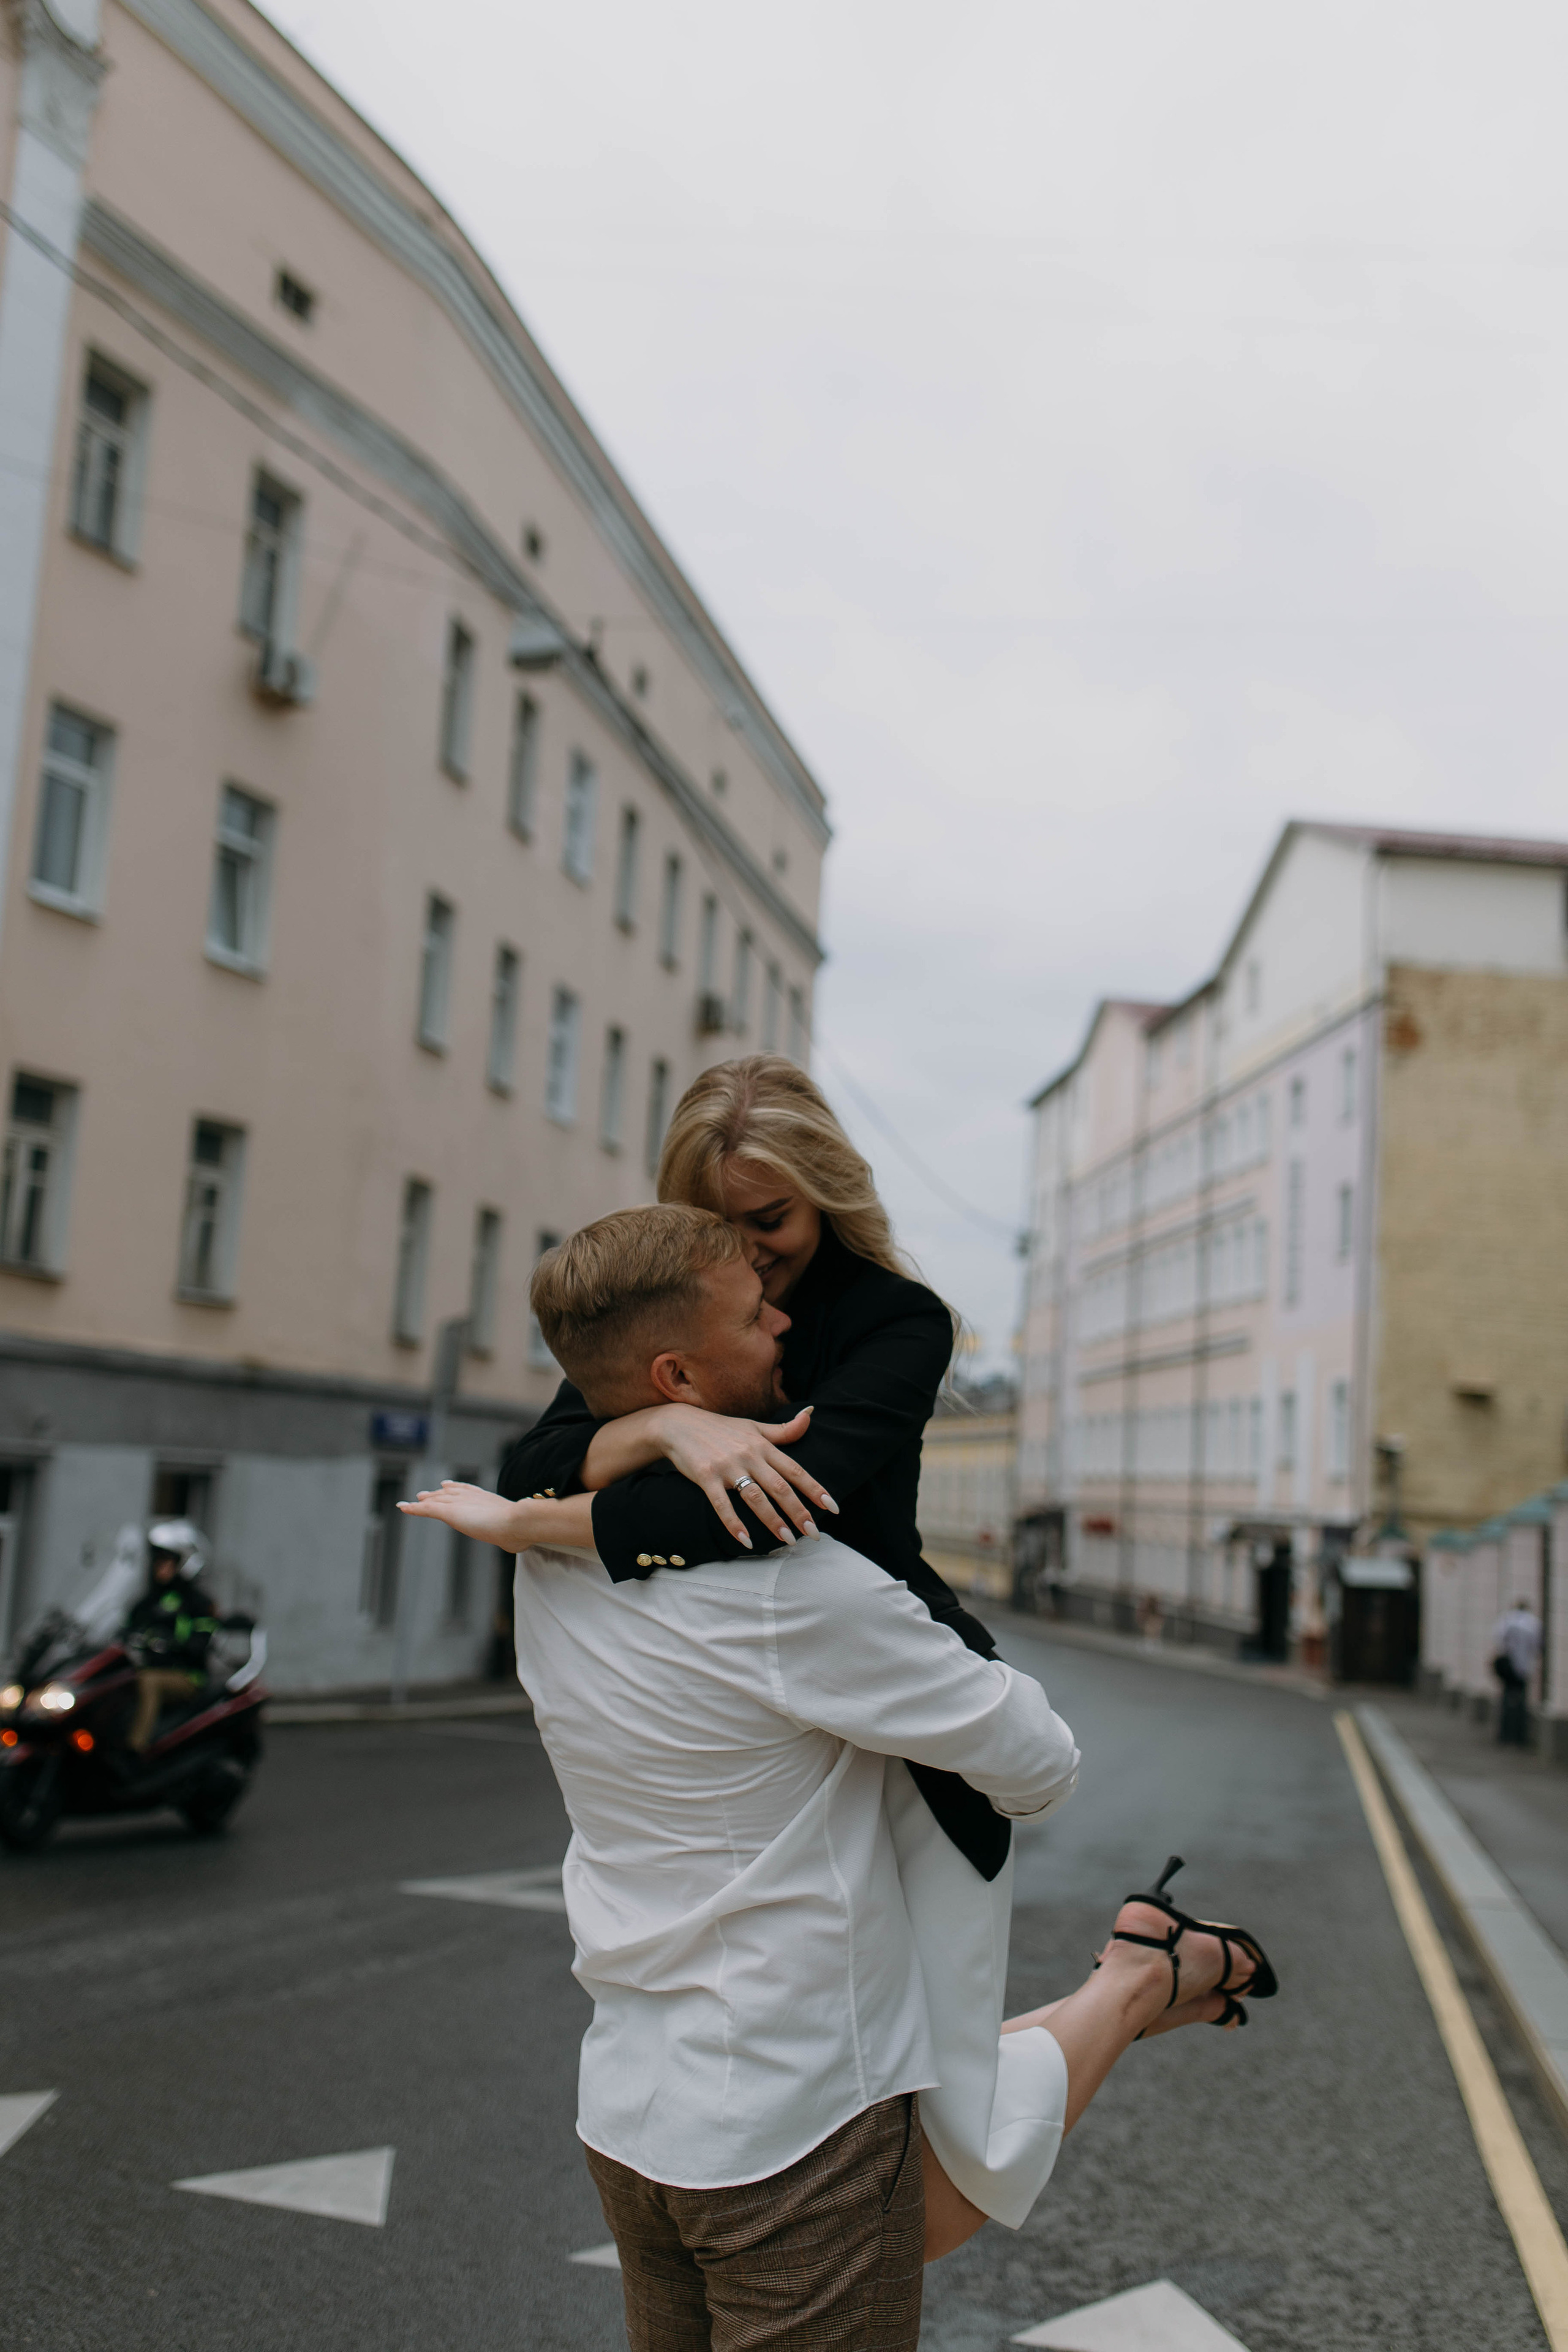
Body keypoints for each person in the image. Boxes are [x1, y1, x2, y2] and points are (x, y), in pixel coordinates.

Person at [402, 1208, 1276, 2343]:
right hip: (792, 2114)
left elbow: (562, 1496)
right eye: (754, 1311)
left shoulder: (549, 1558)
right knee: (943, 2182)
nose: (784, 1324)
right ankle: (1136, 1981)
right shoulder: (794, 1591)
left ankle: (1136, 1980)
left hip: (628, 2105)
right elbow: (1041, 1762)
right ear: (679, 1374)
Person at [500, 1054, 1011, 1879]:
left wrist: (542, 1525)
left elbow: (775, 1507)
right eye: (716, 1221)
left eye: (770, 1218)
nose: (750, 1252)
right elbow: (532, 1466)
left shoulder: (894, 1320)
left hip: (902, 1731)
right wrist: (666, 1427)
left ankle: (1139, 1978)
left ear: (825, 1190)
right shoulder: (672, 1304)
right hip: (745, 1740)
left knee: (935, 2012)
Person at [123, 1520, 219, 1754]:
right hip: (145, 1668)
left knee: (149, 1682)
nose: (160, 1567)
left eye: (167, 1562)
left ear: (185, 1563)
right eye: (158, 1561)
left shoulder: (198, 1604)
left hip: (186, 1676)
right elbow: (124, 1630)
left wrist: (173, 1646)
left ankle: (136, 1751)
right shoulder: (147, 1601)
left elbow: (201, 1642)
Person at [1493, 1596, 1542, 1748]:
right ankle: (1519, 1735)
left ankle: (1505, 1733)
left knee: (1507, 1698)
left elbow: (1498, 1639)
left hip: (1509, 1667)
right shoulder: (1533, 1623)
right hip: (1524, 1667)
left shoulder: (1508, 1620)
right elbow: (1538, 1645)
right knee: (1521, 1701)